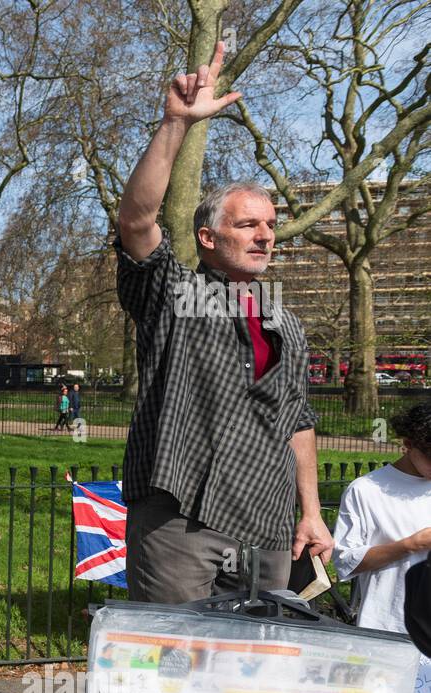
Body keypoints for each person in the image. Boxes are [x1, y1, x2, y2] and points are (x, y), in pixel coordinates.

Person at [115, 41, 330, 603]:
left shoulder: (285, 318)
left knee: (251, 673)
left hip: (268, 519)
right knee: (176, 662)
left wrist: (310, 513)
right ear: (208, 238)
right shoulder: (173, 292)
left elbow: (298, 420)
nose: (265, 235)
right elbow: (137, 220)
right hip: (182, 512)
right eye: (248, 224)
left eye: (271, 224)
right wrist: (174, 125)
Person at [331, 401, 431, 693]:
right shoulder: (368, 491)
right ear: (408, 444)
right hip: (388, 629)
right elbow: (347, 562)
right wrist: (411, 544)